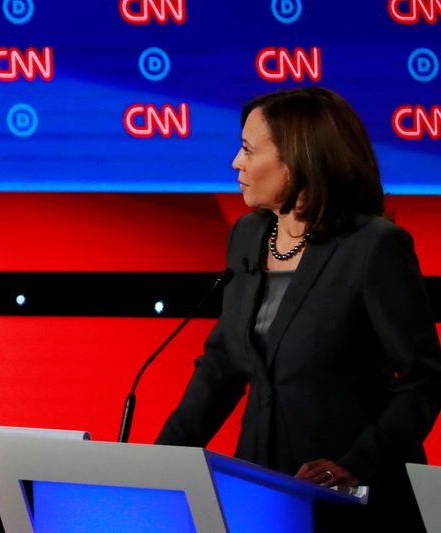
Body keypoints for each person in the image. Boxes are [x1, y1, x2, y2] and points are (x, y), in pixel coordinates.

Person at [155, 86, 441, 530]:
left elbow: (424, 379)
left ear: (298, 159)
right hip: (262, 491)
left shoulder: (373, 247)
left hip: (349, 497)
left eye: (249, 150)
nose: (236, 162)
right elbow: (222, 366)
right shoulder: (248, 235)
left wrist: (358, 463)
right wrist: (158, 465)